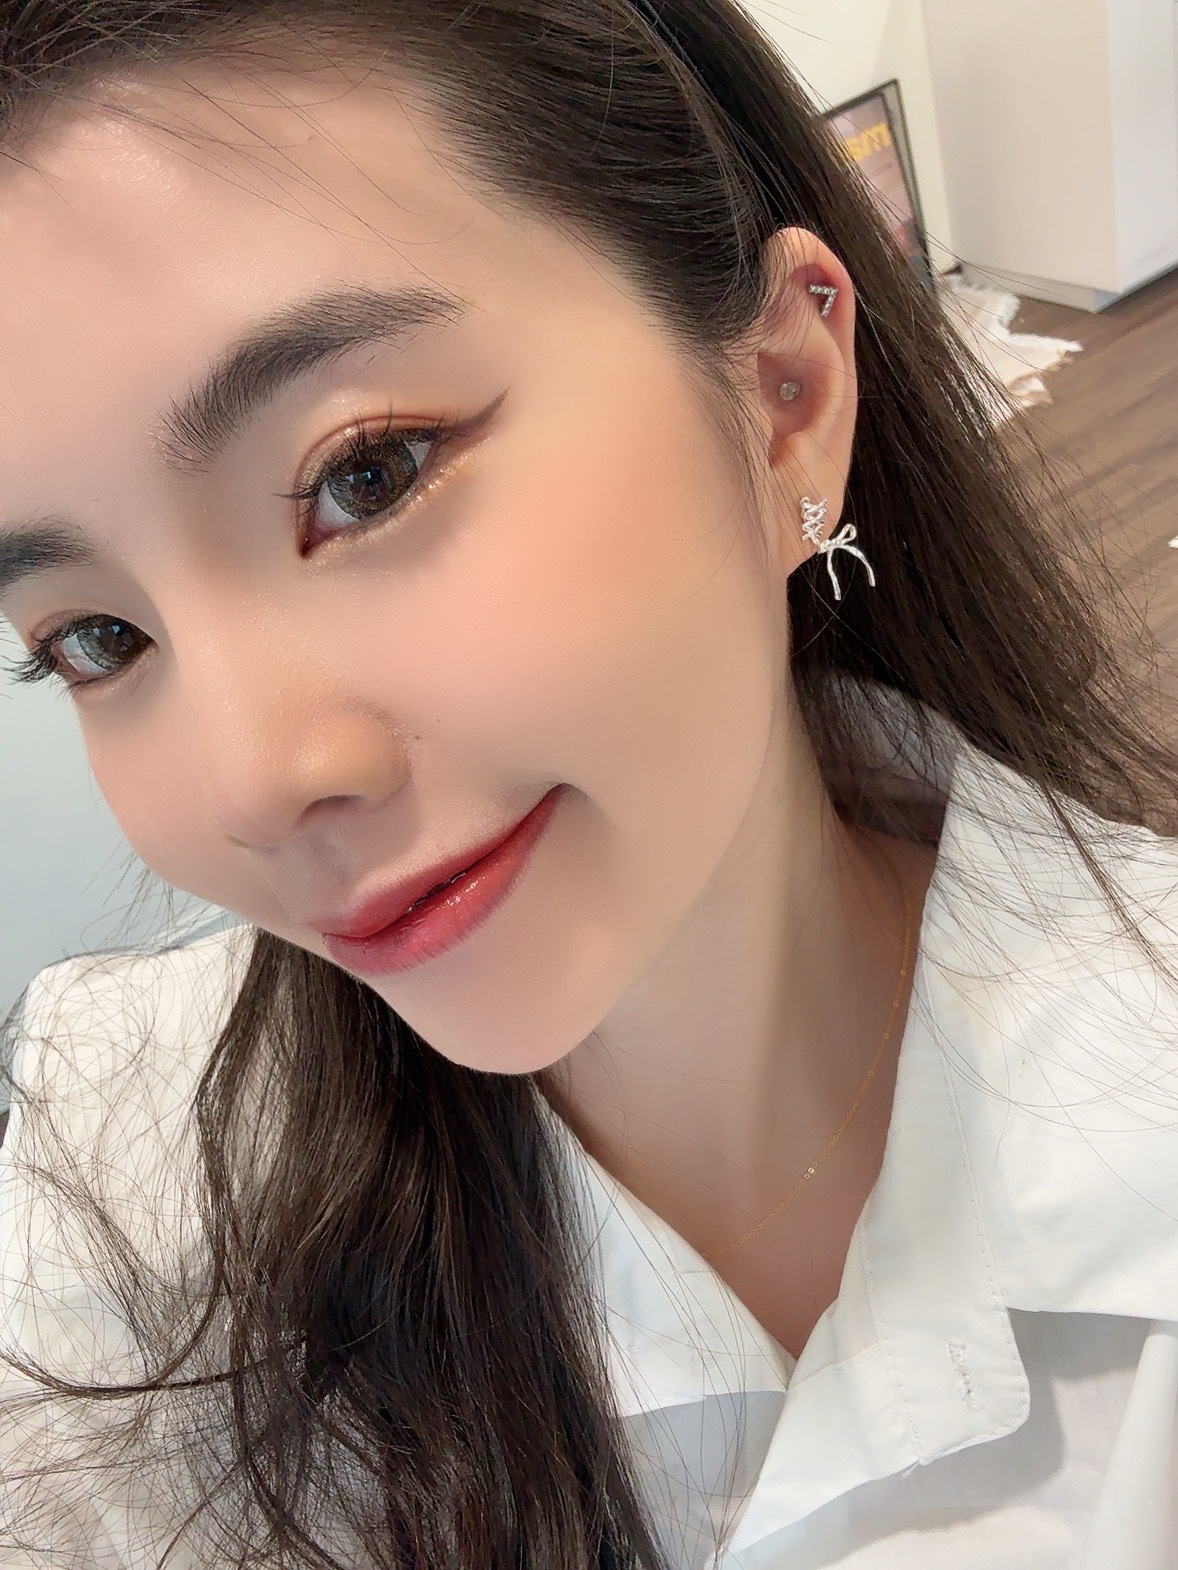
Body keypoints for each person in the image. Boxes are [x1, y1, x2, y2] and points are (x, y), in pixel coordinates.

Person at [0, 2, 1176, 1565]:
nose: (252, 782)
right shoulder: (113, 1191)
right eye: (95, 637)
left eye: (366, 474)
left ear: (782, 397)